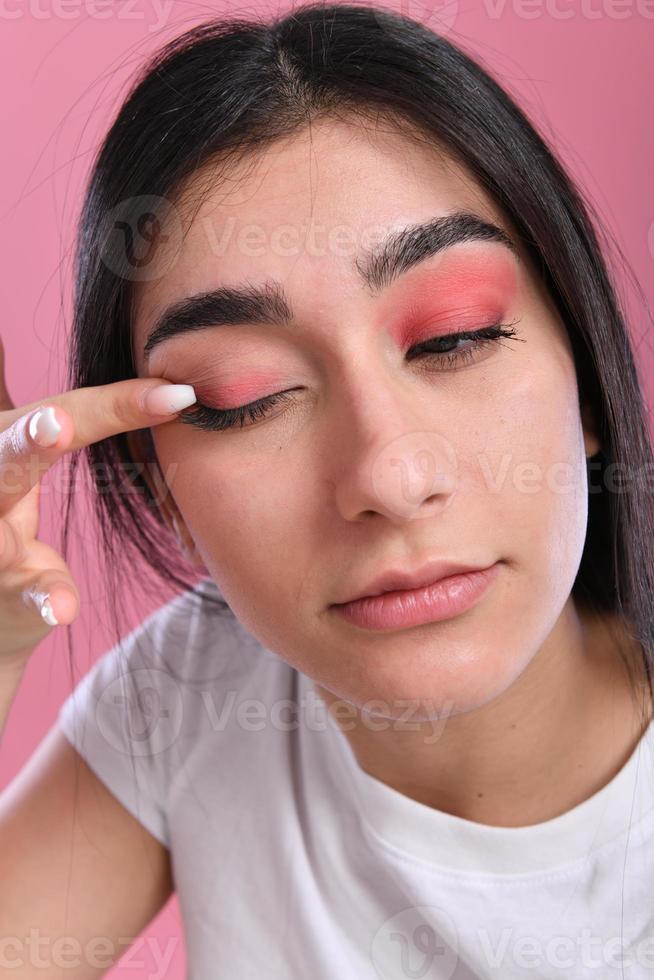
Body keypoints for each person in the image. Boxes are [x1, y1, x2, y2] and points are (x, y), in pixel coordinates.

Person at [1, 2, 654, 977]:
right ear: (163, 488)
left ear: (587, 380)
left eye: (453, 338)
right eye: (243, 397)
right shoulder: (192, 695)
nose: (388, 475)